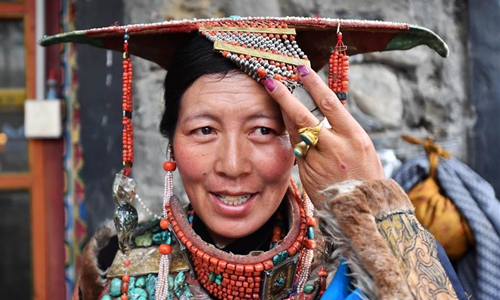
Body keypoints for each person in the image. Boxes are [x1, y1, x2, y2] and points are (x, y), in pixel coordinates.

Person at [41, 17, 467, 300]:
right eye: (204, 130)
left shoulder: (354, 269)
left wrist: (372, 202)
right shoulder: (119, 271)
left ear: (300, 141)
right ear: (172, 143)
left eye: (262, 131)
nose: (232, 164)